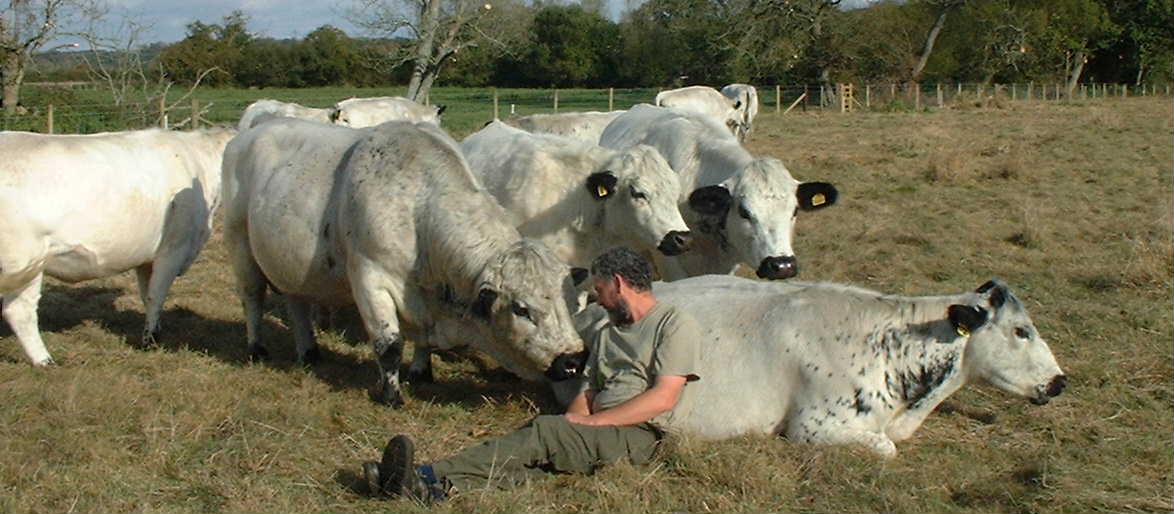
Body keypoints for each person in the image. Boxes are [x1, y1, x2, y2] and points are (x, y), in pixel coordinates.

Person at [361, 246, 702, 503]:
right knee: (536, 458)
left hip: (642, 436)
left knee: (543, 434)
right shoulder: (608, 333)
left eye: (600, 290)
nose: (598, 299)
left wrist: (593, 424)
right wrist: (574, 422)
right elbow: (589, 389)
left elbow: (664, 396)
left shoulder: (673, 324)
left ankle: (426, 472)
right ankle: (428, 489)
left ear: (618, 283)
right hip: (605, 428)